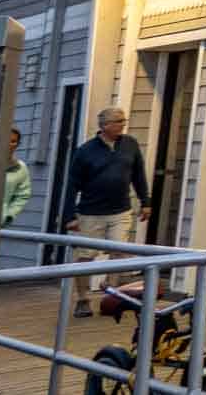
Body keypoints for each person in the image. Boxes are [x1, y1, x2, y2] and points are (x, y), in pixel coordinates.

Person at [65, 107, 151, 318]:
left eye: (124, 120)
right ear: (104, 126)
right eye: (119, 121)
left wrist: (145, 201)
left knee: (119, 253)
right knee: (85, 256)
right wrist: (70, 216)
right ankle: (83, 299)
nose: (123, 124)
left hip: (120, 210)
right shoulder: (86, 151)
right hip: (91, 212)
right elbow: (71, 185)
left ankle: (111, 293)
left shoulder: (129, 144)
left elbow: (138, 173)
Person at [3, 128, 29, 228]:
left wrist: (9, 215)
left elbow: (23, 195)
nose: (9, 144)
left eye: (13, 141)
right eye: (6, 140)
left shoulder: (21, 168)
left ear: (18, 144)